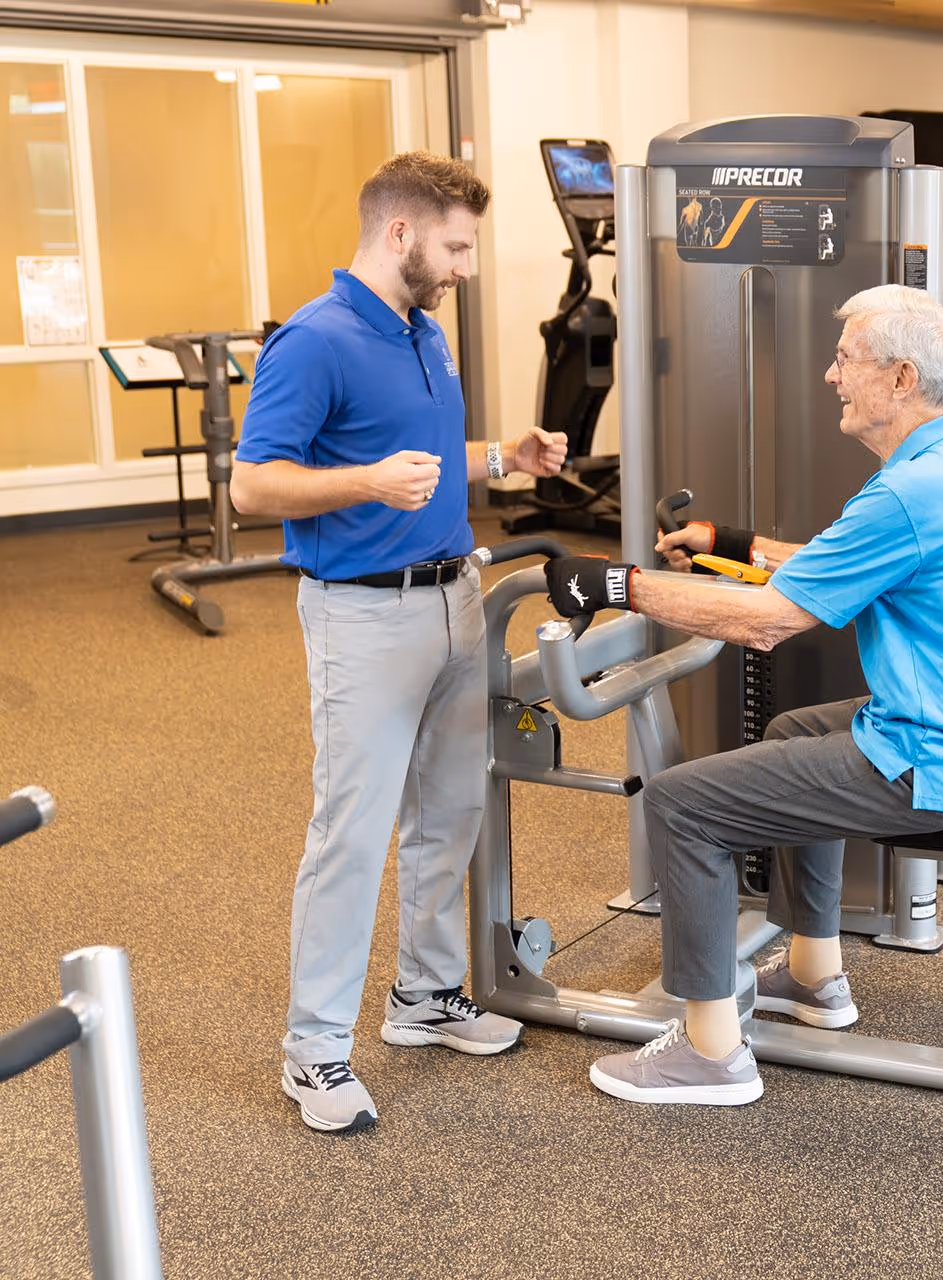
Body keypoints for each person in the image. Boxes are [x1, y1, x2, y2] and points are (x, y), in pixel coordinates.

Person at [541, 284, 943, 1107]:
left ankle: (709, 1055)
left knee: (682, 804)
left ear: (898, 378)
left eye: (845, 359)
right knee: (789, 729)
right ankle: (816, 974)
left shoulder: (908, 492)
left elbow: (770, 625)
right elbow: (835, 562)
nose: (829, 375)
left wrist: (617, 583)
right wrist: (729, 544)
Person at [231, 152, 569, 1133]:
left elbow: (412, 455)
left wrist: (502, 456)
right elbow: (256, 486)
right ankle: (316, 1049)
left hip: (454, 599)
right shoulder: (315, 340)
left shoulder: (425, 332)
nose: (466, 265)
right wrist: (368, 483)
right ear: (401, 234)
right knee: (354, 829)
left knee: (450, 810)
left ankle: (424, 997)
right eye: (456, 246)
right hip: (363, 615)